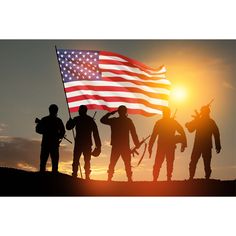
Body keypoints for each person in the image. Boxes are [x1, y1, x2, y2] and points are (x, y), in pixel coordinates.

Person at [100, 105, 140, 182]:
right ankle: (128, 179)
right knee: (124, 163)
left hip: (117, 146)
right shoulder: (128, 121)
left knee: (115, 163)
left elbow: (102, 120)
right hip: (123, 146)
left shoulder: (115, 121)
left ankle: (110, 179)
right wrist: (137, 143)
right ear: (125, 112)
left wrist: (110, 113)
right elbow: (133, 133)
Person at [148, 107, 187, 181]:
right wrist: (150, 147)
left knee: (168, 163)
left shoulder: (163, 122)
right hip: (164, 146)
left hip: (168, 146)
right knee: (161, 163)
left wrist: (184, 144)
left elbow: (182, 131)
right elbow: (154, 135)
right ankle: (156, 179)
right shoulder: (164, 122)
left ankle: (165, 178)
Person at [185, 104, 221, 180]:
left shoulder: (207, 121)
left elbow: (216, 133)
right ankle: (192, 177)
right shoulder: (205, 121)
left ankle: (203, 178)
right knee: (196, 161)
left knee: (205, 162)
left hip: (202, 145)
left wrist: (218, 145)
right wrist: (189, 124)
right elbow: (190, 129)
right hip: (201, 145)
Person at [66, 105, 101, 179]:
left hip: (79, 143)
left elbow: (68, 127)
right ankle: (85, 175)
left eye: (79, 110)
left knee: (77, 160)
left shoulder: (77, 119)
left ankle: (75, 174)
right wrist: (98, 145)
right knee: (85, 160)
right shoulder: (90, 120)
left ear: (81, 111)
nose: (78, 111)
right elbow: (96, 134)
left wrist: (70, 122)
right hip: (86, 144)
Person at [35, 104, 65, 173]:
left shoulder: (46, 119)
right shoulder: (56, 120)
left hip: (50, 144)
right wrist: (46, 131)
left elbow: (62, 132)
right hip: (50, 144)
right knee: (45, 163)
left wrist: (58, 136)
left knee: (51, 164)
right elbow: (38, 129)